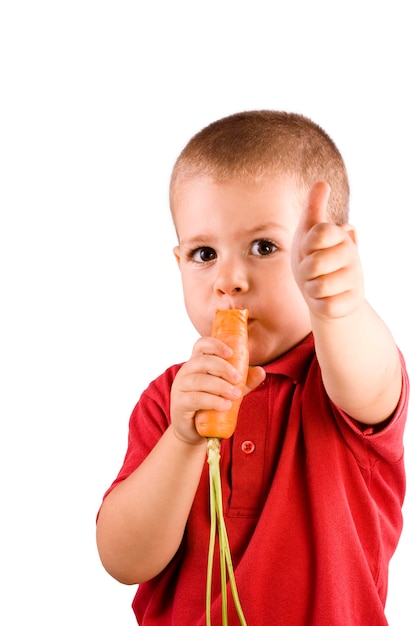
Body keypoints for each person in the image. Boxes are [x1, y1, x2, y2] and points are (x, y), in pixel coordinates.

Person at [96, 110, 409, 625]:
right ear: (178, 264)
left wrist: (343, 305)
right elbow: (124, 560)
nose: (229, 279)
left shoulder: (339, 377)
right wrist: (182, 440)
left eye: (264, 247)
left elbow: (369, 383)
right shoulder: (170, 399)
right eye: (204, 253)